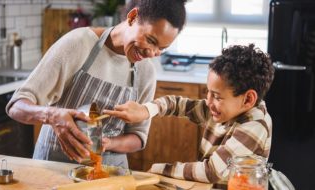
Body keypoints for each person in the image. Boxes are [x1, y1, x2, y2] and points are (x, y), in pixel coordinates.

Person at [6, 0, 187, 168]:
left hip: (111, 173)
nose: (151, 52)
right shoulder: (79, 43)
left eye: (161, 49)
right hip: (55, 167)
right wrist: (51, 115)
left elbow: (138, 137)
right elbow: (16, 106)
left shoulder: (146, 72)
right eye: (150, 40)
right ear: (132, 17)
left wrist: (108, 144)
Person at [104, 44, 275, 186]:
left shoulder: (255, 125)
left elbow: (211, 171)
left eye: (216, 96)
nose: (208, 101)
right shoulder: (225, 109)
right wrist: (147, 110)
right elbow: (177, 104)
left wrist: (161, 169)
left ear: (248, 99)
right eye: (208, 92)